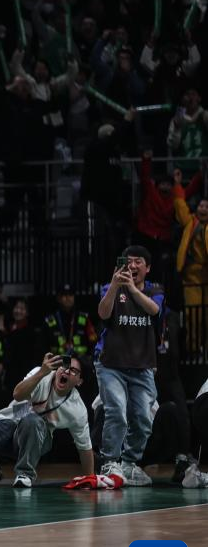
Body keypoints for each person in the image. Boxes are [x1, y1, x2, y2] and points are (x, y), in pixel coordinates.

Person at [0, 353, 93, 490]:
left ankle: (25, 474)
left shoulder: (77, 409)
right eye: (65, 366)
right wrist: (41, 373)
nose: (67, 371)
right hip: (7, 424)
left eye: (73, 371)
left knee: (32, 420)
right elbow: (18, 394)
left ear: (79, 381)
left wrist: (90, 479)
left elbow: (85, 448)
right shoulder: (40, 373)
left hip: (36, 439)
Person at [95, 246, 164, 486]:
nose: (133, 265)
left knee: (143, 419)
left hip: (142, 366)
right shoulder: (110, 287)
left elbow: (154, 310)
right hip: (110, 364)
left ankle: (129, 463)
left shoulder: (155, 290)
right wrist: (115, 286)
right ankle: (109, 462)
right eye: (129, 261)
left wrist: (132, 289)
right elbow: (103, 313)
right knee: (116, 412)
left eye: (138, 261)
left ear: (148, 267)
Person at [172, 181, 208, 357]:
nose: (204, 209)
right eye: (201, 206)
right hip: (192, 278)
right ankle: (193, 350)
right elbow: (180, 206)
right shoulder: (191, 222)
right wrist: (178, 185)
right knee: (193, 316)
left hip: (206, 277)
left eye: (207, 207)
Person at [43, 284, 98, 358]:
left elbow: (94, 342)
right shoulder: (50, 320)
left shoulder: (84, 318)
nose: (68, 298)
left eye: (71, 295)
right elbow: (43, 346)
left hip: (81, 361)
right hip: (56, 361)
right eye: (64, 295)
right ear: (58, 298)